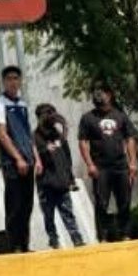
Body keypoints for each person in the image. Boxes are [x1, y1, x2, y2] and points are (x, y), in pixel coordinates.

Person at [78, 81, 138, 242]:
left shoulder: (120, 116)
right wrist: (90, 164)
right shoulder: (87, 118)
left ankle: (126, 234)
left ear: (109, 95)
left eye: (102, 92)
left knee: (125, 201)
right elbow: (83, 141)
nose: (98, 95)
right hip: (100, 168)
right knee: (101, 203)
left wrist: (132, 163)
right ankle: (103, 238)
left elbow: (130, 138)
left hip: (121, 166)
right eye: (95, 92)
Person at [0, 65, 42, 253]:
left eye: (16, 78)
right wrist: (18, 158)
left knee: (27, 205)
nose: (13, 82)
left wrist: (36, 159)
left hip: (28, 161)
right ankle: (13, 247)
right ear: (4, 82)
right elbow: (2, 135)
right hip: (12, 163)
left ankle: (24, 244)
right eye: (10, 78)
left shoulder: (22, 105)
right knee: (14, 204)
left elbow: (28, 135)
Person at [34, 103, 84, 249]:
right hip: (46, 183)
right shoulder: (35, 138)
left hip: (62, 181)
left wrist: (71, 178)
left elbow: (67, 158)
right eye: (46, 114)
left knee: (68, 212)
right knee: (48, 215)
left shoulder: (59, 136)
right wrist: (44, 150)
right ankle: (53, 240)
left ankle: (77, 239)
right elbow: (34, 158)